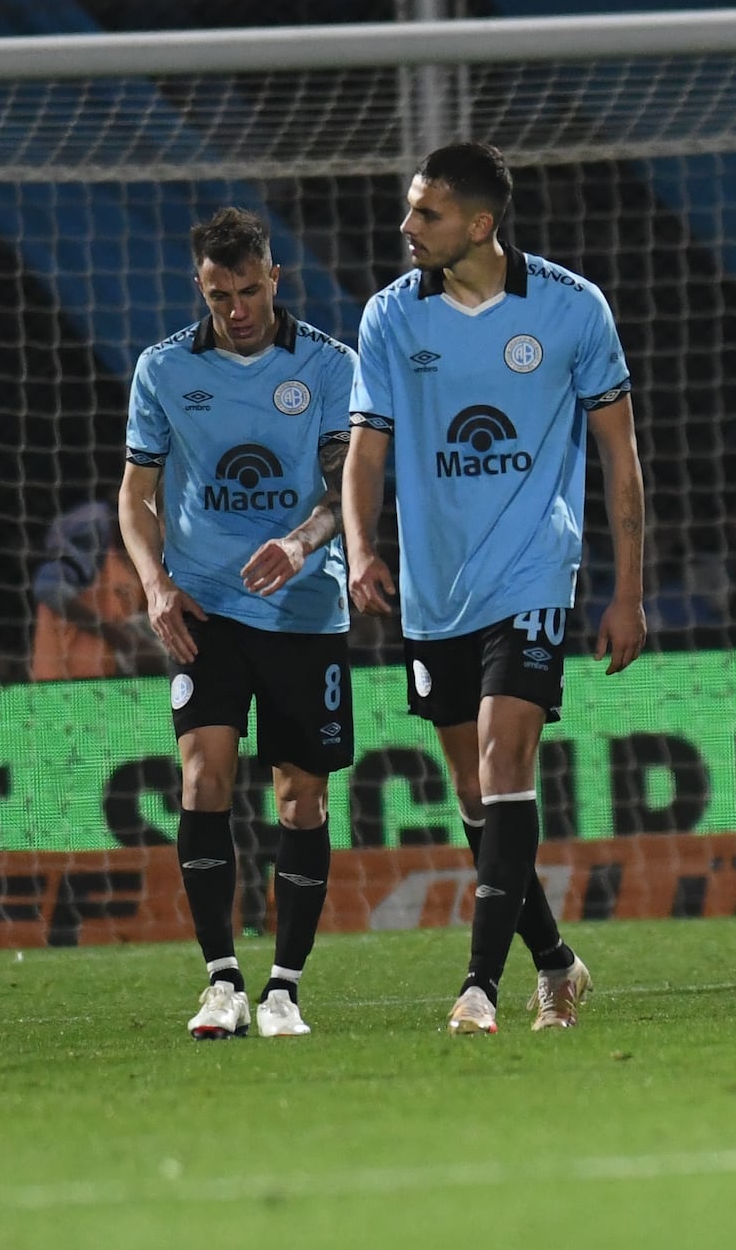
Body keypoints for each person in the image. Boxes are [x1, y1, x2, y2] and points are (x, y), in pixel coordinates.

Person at [342, 141, 649, 1038]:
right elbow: (367, 448)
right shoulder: (391, 318)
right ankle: (555, 959)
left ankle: (480, 984)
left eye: (424, 213)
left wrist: (628, 592)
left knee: (504, 759)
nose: (406, 227)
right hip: (437, 586)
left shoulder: (571, 308)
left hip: (534, 570)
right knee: (476, 798)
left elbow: (619, 458)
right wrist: (360, 550)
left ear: (479, 224)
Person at [118, 209, 362, 1042]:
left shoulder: (330, 366)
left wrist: (300, 542)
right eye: (220, 294)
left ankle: (284, 988)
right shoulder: (162, 369)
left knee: (301, 798)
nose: (238, 308)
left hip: (303, 610)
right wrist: (154, 583)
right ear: (201, 286)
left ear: (274, 277)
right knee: (201, 779)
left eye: (250, 289)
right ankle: (221, 981)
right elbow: (136, 495)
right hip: (206, 606)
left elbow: (348, 493)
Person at [27, 491, 167, 680]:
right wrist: (124, 641)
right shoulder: (95, 528)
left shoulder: (141, 558)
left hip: (109, 686)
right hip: (63, 684)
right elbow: (48, 586)